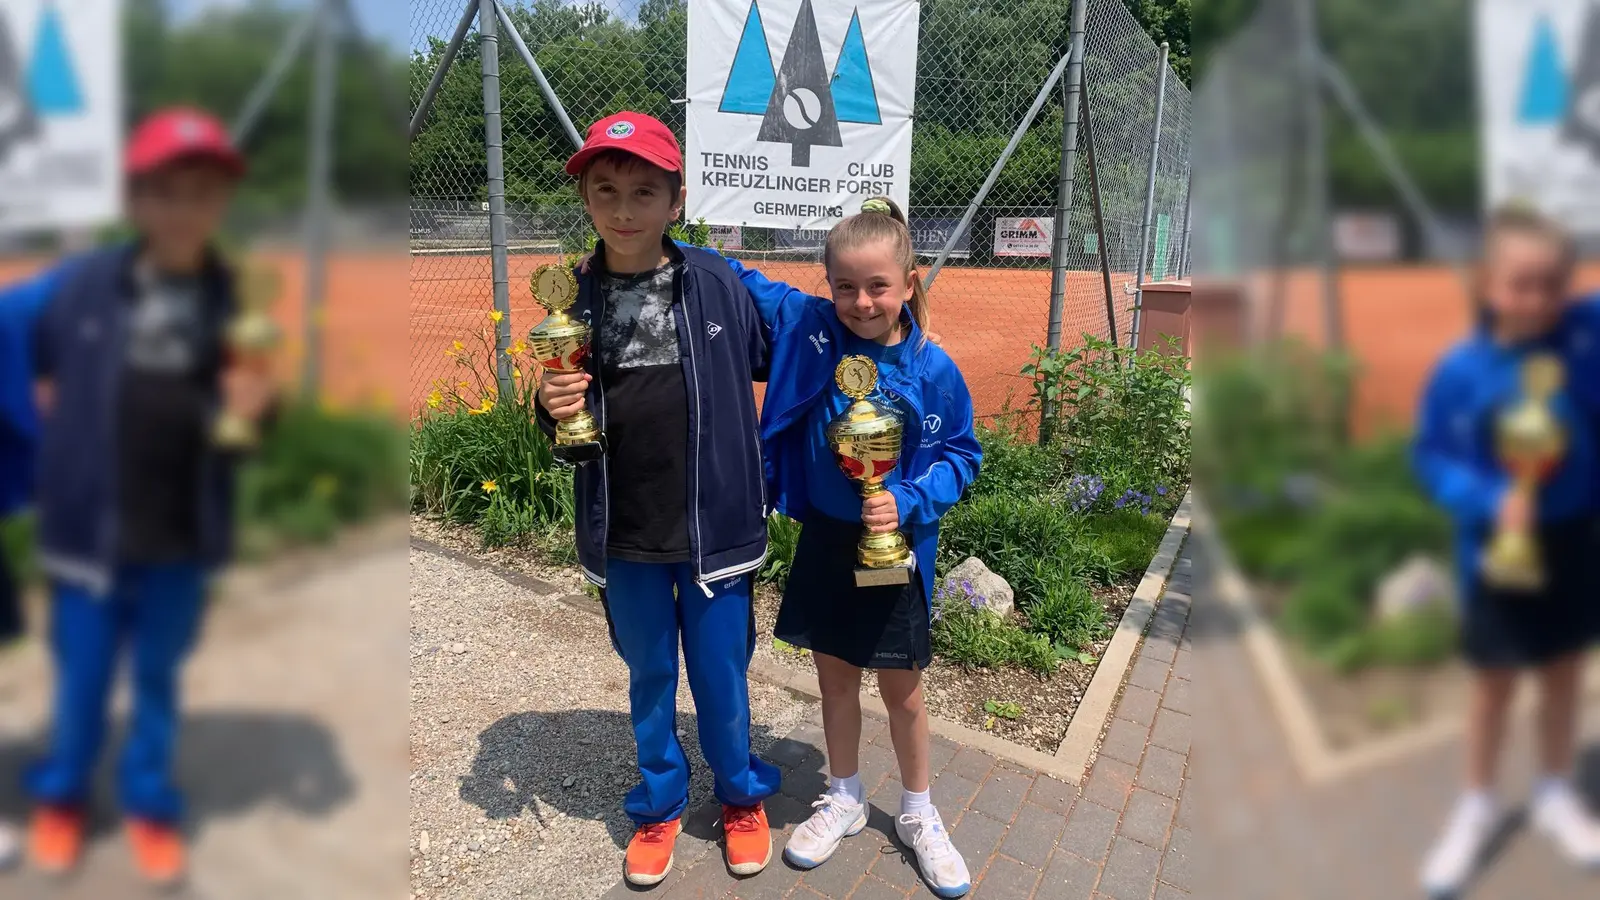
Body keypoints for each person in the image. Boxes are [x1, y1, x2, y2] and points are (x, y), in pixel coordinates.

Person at [0, 106, 278, 887]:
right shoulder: (80, 286)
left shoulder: (231, 299)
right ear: (134, 199)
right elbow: (7, 334)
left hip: (181, 532)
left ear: (222, 201)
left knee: (157, 681)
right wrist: (30, 441)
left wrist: (256, 412)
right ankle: (62, 797)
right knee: (82, 682)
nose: (184, 210)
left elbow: (243, 425)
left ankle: (148, 805)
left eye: (203, 192)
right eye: (165, 192)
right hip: (88, 532)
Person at [533, 111, 781, 887]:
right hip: (625, 527)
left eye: (644, 191)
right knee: (649, 676)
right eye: (605, 190)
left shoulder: (716, 281)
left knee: (721, 675)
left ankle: (740, 797)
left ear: (676, 200)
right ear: (585, 199)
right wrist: (548, 402)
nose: (623, 208)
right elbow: (559, 412)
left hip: (715, 526)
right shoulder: (570, 297)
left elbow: (783, 358)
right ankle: (660, 805)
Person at [715, 197, 983, 897]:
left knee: (904, 693)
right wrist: (666, 249)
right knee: (835, 682)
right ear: (827, 286)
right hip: (827, 542)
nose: (861, 302)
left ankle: (919, 813)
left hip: (894, 547)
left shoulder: (932, 367)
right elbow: (743, 279)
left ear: (910, 284)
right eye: (845, 287)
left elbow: (963, 454)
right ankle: (844, 795)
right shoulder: (812, 327)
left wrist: (909, 498)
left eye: (878, 286)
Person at [1412, 203, 1600, 898]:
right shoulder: (1461, 372)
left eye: (1552, 283)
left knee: (1564, 671)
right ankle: (1478, 802)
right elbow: (1433, 456)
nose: (1537, 299)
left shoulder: (1583, 341)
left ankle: (1553, 789)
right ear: (1487, 283)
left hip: (1572, 541)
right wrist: (1489, 498)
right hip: (1497, 549)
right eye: (1521, 283)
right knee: (1493, 684)